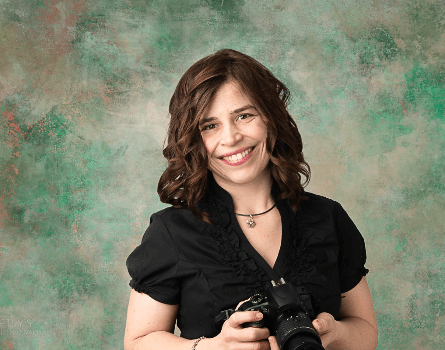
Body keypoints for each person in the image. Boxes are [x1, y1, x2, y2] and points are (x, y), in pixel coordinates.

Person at [124, 49, 378, 350]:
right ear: (193, 139)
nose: (230, 138)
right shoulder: (172, 232)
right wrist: (213, 347)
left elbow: (365, 331)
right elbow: (139, 342)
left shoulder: (327, 217)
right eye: (210, 125)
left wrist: (334, 334)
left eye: (244, 116)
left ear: (271, 118)